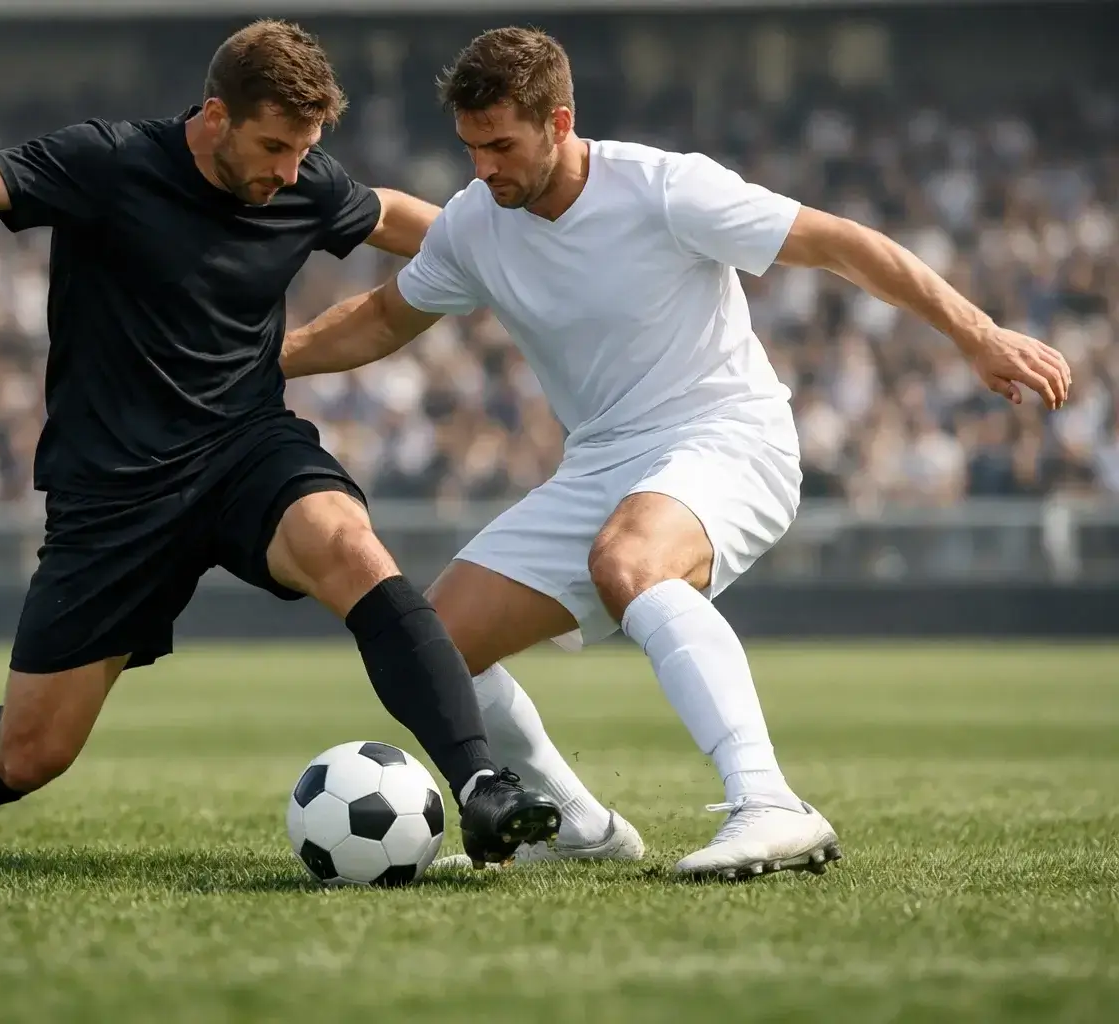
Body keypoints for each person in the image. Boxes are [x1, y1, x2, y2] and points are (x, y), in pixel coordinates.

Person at [281, 27, 1071, 880]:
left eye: (502, 145)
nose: (483, 169)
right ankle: (576, 823)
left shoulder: (665, 188)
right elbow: (379, 319)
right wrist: (254, 361)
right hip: (600, 465)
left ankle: (770, 803)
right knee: (431, 646)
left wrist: (979, 333)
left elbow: (840, 243)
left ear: (559, 122)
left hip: (729, 436)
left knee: (630, 560)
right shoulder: (478, 222)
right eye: (471, 148)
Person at [0, 20, 561, 867]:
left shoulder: (301, 180)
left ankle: (482, 785)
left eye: (304, 151)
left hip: (247, 448)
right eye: (274, 147)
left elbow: (395, 216)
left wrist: (517, 250)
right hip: (114, 493)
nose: (289, 173)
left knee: (350, 547)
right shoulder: (108, 164)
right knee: (31, 753)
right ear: (216, 116)